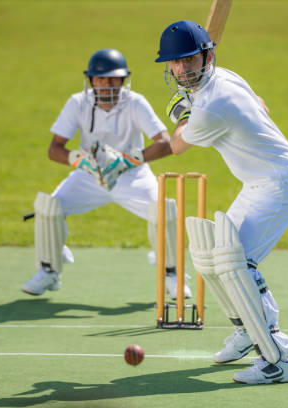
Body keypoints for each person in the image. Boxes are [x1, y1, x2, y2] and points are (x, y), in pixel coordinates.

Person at [155, 21, 288, 385]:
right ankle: (248, 331)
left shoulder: (214, 104)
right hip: (258, 181)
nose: (180, 69)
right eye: (174, 63)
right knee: (211, 256)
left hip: (280, 182)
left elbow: (176, 147)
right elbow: (262, 106)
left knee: (238, 263)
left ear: (207, 55)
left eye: (188, 60)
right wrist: (191, 103)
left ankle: (277, 360)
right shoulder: (225, 78)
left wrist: (181, 112)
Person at [22, 48, 190, 300]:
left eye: (113, 79)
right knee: (49, 207)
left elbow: (166, 142)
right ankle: (49, 270)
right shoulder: (78, 102)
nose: (107, 84)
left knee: (164, 210)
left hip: (132, 174)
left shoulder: (135, 102)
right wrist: (79, 160)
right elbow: (54, 149)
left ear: (123, 80)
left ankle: (172, 275)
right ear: (90, 80)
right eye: (100, 79)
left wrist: (127, 160)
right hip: (89, 174)